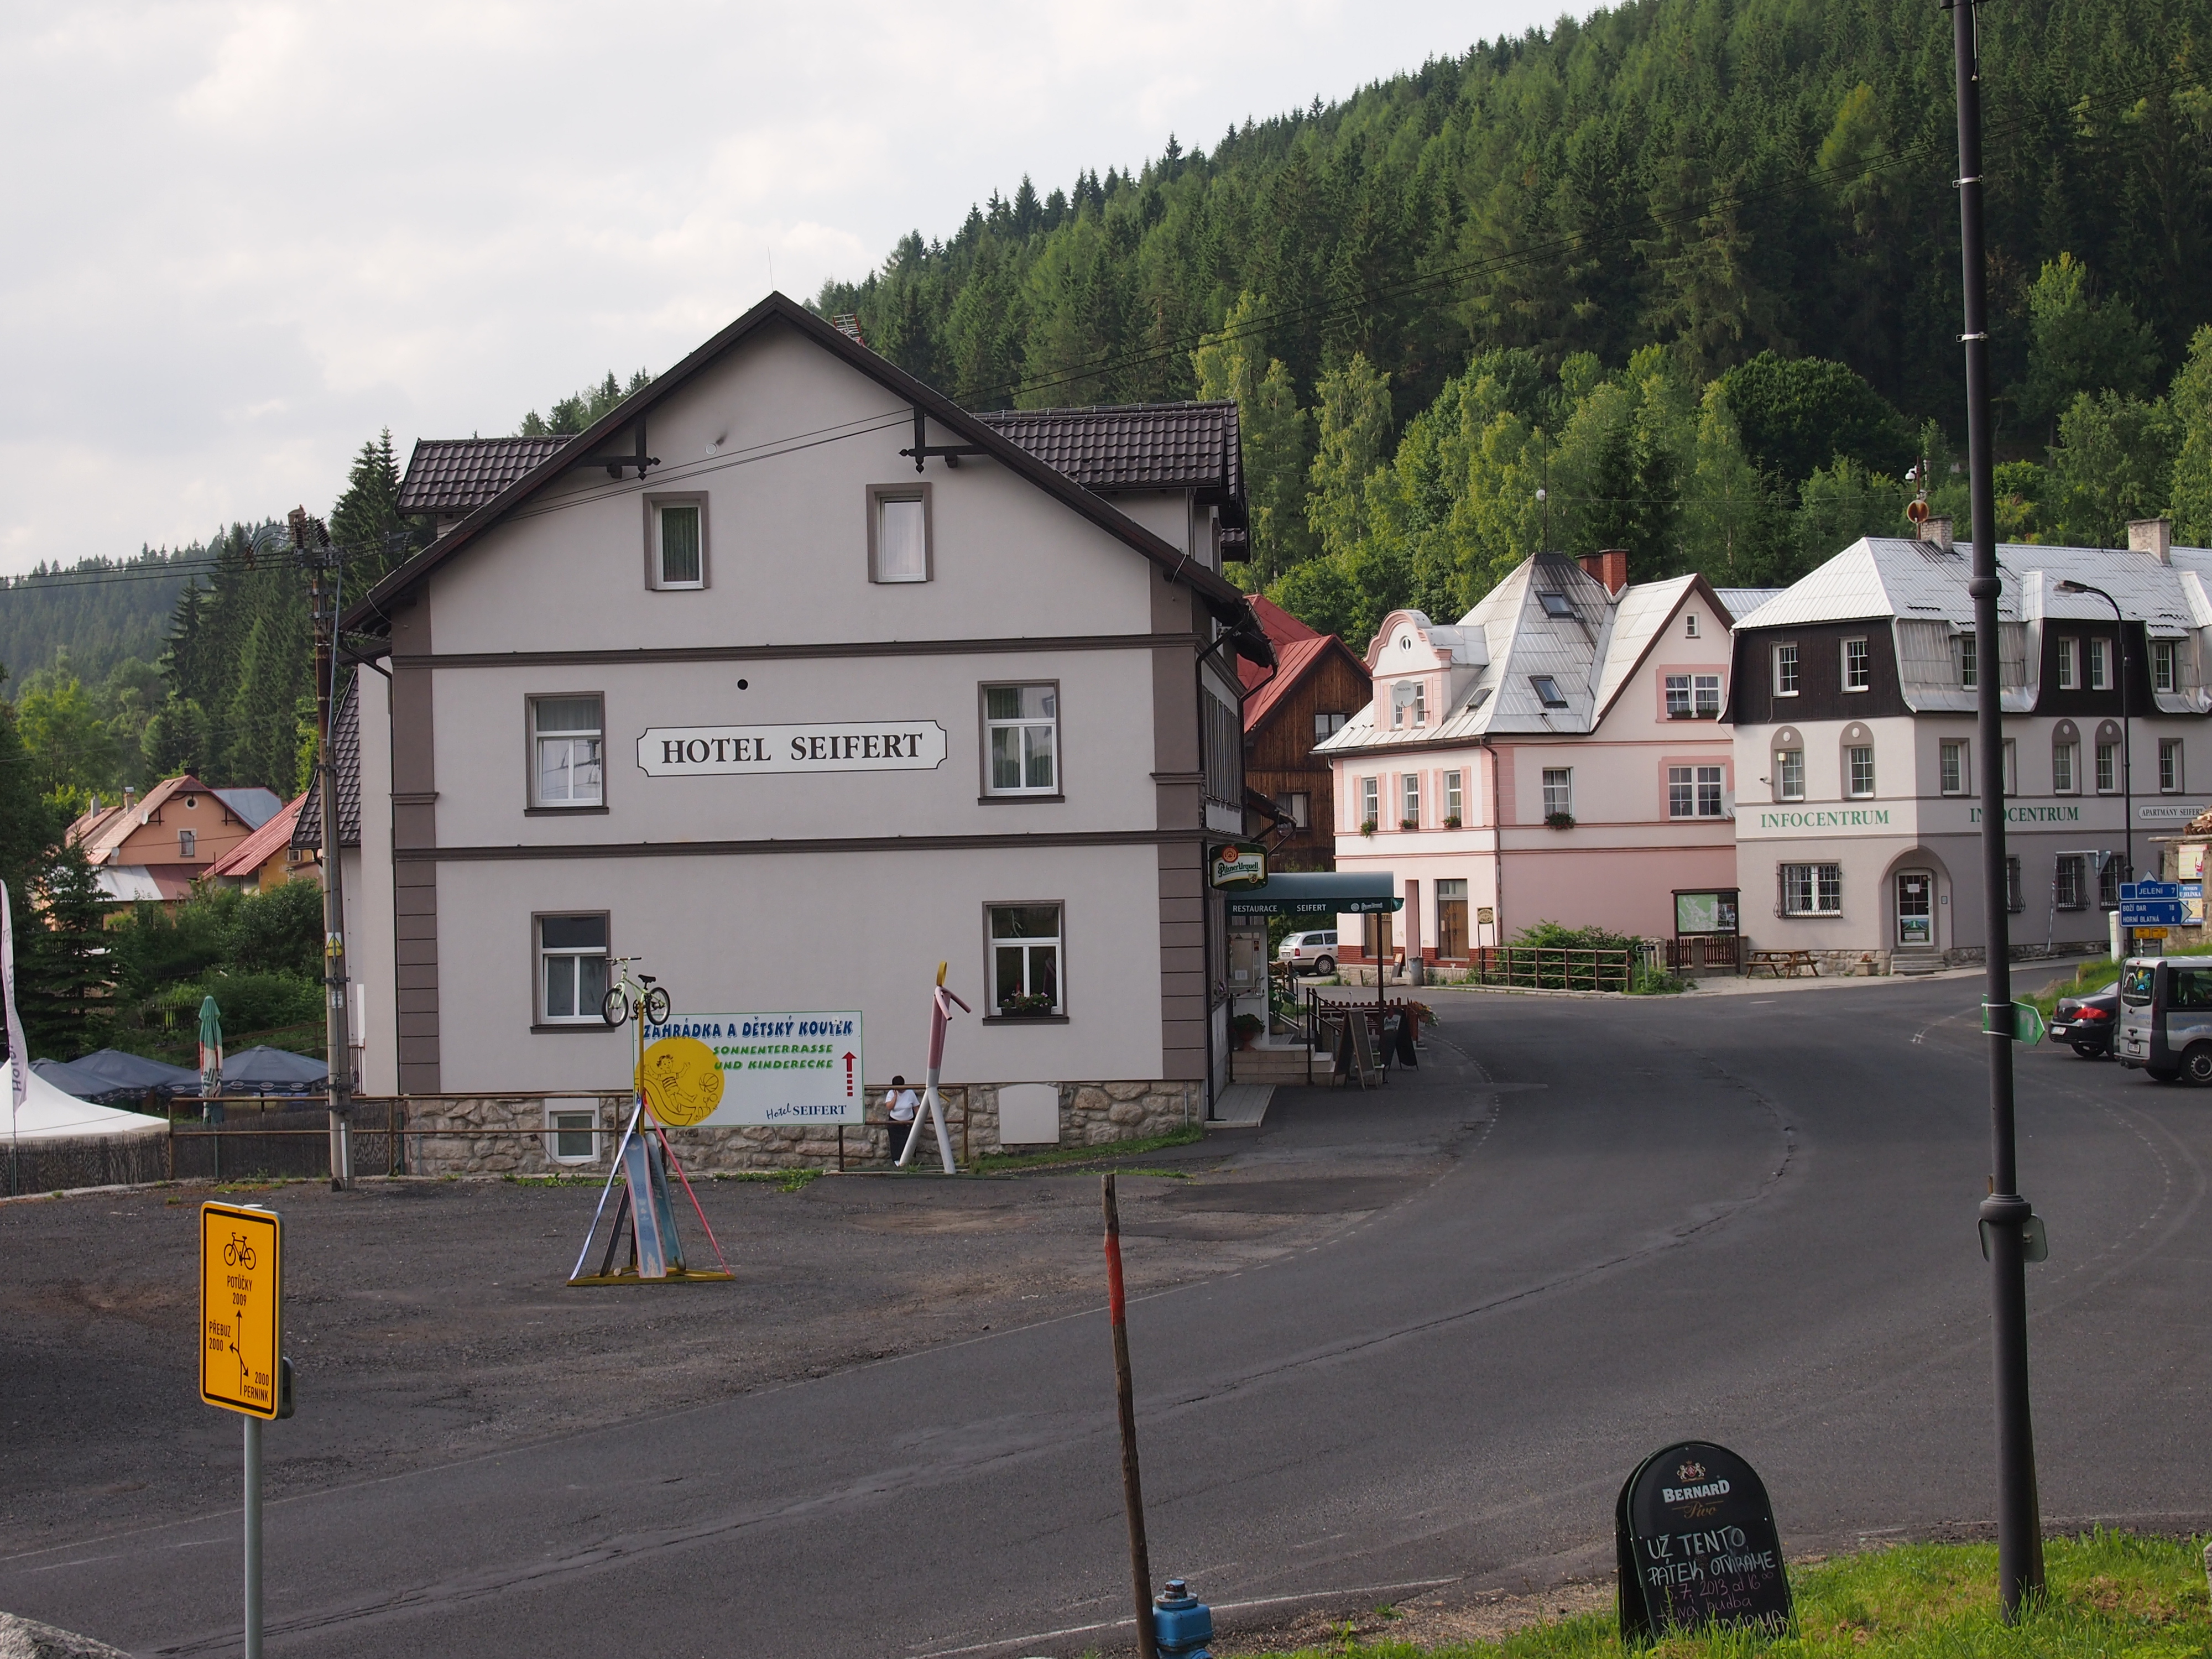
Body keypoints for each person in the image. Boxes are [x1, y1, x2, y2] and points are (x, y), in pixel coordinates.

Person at [883, 1074, 918, 1161]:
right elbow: (889, 1107)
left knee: (909, 1142)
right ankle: (897, 1160)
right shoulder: (891, 1093)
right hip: (895, 1123)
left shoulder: (910, 1093)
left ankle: (909, 1160)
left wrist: (919, 1120)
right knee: (896, 1144)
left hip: (908, 1123)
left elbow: (916, 1107)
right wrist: (895, 1097)